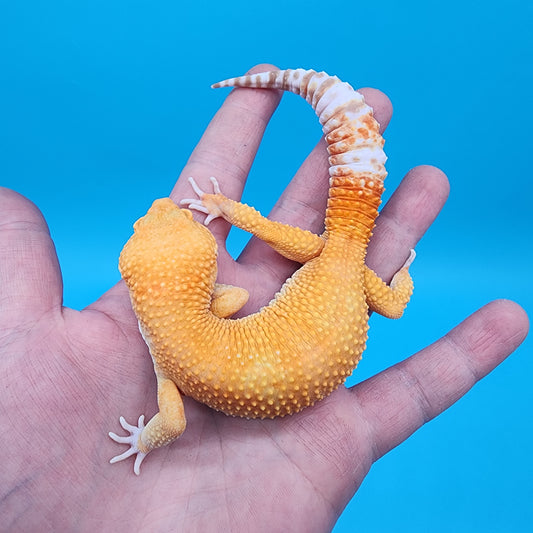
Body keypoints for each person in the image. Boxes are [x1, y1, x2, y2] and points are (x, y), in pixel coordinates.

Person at [0, 64, 528, 532]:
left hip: (333, 275)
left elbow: (172, 421)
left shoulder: (168, 357)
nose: (159, 208)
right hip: (336, 272)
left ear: (133, 274)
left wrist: (143, 441)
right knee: (389, 302)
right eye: (150, 222)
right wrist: (228, 210)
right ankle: (397, 265)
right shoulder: (204, 319)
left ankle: (391, 258)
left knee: (388, 301)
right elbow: (226, 299)